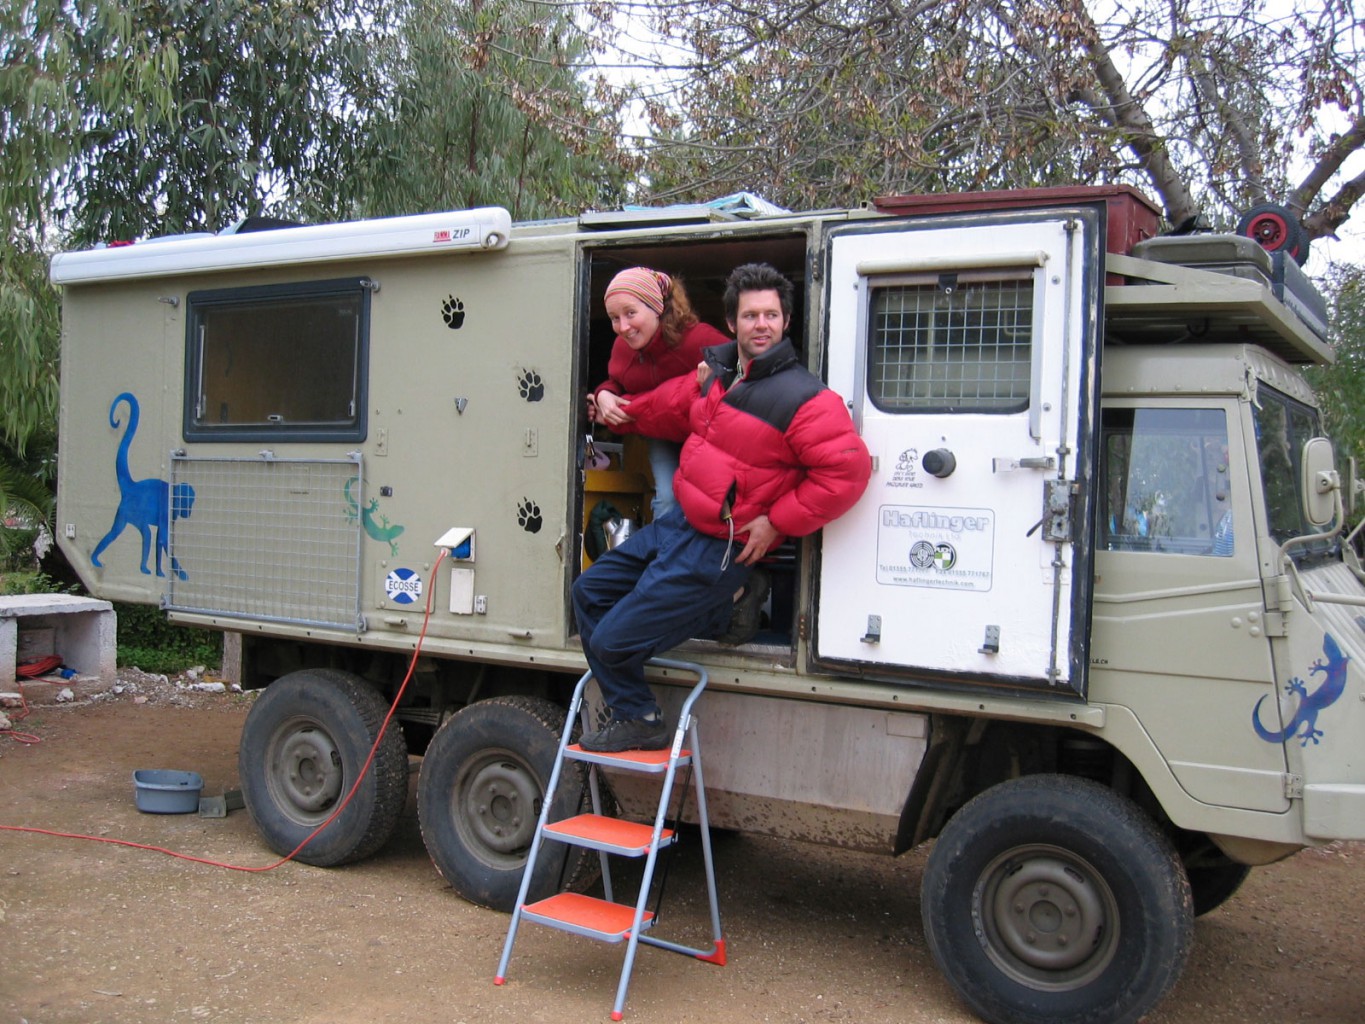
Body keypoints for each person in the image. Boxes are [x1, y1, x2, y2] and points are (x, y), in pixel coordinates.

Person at [572, 262, 872, 752]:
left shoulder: (806, 399)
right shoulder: (719, 373)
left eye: (770, 315)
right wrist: (608, 404)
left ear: (785, 321)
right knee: (588, 592)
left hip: (718, 545)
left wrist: (777, 521)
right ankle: (721, 610)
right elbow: (666, 406)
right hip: (682, 526)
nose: (761, 324)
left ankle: (640, 716)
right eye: (750, 315)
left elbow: (847, 474)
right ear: (731, 322)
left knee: (609, 641)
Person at [588, 267, 730, 517]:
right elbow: (617, 381)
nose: (623, 327)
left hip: (703, 432)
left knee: (704, 500)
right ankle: (665, 554)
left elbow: (740, 364)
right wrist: (604, 393)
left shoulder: (698, 338)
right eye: (614, 318)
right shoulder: (622, 348)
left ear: (657, 308)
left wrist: (717, 370)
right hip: (660, 432)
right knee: (666, 499)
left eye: (630, 313)